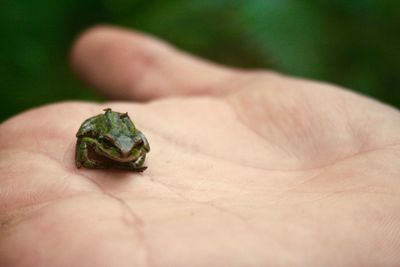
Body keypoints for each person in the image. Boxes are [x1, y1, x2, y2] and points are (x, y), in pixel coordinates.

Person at [0, 26, 399, 266]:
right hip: (106, 125)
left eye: (130, 148)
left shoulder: (132, 143)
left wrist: (131, 161)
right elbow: (84, 140)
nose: (125, 152)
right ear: (105, 142)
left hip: (123, 128)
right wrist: (90, 161)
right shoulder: (96, 137)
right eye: (116, 148)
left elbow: (140, 150)